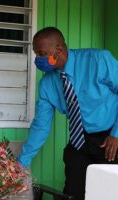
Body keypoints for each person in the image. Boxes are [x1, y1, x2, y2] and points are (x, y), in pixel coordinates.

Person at [17, 27, 118, 200]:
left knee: (109, 192)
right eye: (36, 54)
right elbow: (41, 125)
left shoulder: (98, 60)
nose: (38, 59)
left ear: (59, 50)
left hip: (110, 140)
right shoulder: (47, 84)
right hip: (80, 142)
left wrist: (116, 134)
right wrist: (20, 163)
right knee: (72, 193)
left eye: (41, 53)